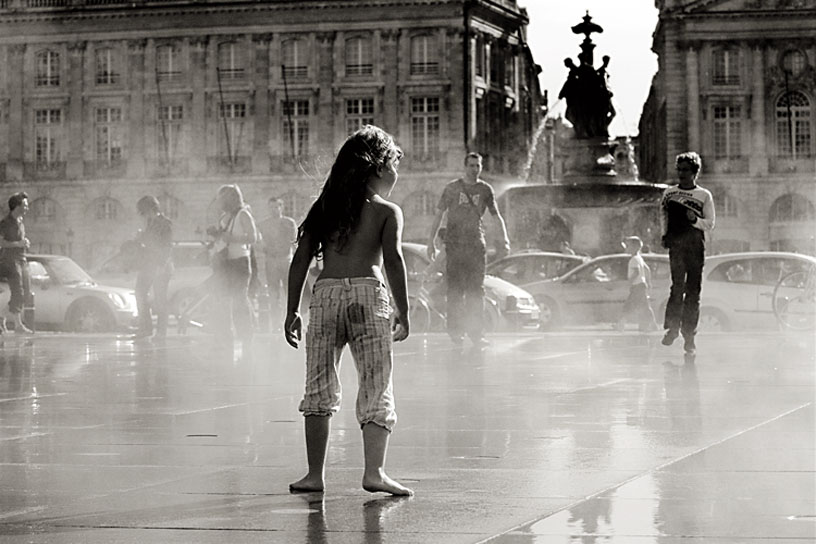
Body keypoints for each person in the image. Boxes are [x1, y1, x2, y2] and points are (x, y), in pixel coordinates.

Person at [284, 125, 412, 496]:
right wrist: (403, 310)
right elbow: (393, 261)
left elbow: (301, 261)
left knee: (318, 387)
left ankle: (313, 475)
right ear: (378, 167)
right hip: (367, 298)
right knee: (375, 383)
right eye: (393, 166)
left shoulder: (325, 207)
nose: (396, 175)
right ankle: (374, 472)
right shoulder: (387, 211)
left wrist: (292, 309)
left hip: (324, 297)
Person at [427, 152, 510, 347]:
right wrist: (430, 241)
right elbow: (438, 216)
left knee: (476, 291)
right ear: (465, 167)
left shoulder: (485, 190)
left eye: (477, 166)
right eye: (471, 165)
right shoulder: (452, 188)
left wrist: (504, 239)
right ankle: (456, 332)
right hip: (455, 246)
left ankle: (477, 333)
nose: (475, 169)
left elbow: (496, 216)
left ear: (481, 167)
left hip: (475, 245)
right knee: (455, 291)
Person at [660, 152, 715, 353]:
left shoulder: (704, 195)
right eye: (679, 170)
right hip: (677, 245)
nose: (682, 174)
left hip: (695, 247)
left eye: (686, 170)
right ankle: (672, 328)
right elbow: (663, 216)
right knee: (677, 288)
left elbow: (710, 224)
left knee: (693, 293)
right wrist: (664, 235)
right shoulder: (669, 193)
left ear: (695, 172)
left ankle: (689, 336)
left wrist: (694, 220)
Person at [212, 184, 258, 348]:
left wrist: (232, 239)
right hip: (226, 262)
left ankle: (247, 335)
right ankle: (227, 334)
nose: (219, 202)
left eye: (221, 198)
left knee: (239, 299)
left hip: (240, 261)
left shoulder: (242, 214)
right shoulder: (225, 216)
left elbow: (253, 237)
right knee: (224, 299)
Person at [134, 196, 173, 339]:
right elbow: (149, 243)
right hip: (148, 264)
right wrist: (140, 237)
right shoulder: (149, 223)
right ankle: (145, 328)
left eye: (144, 212)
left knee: (160, 298)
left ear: (151, 209)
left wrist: (161, 265)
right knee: (139, 293)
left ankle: (161, 332)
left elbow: (167, 246)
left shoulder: (165, 223)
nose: (144, 216)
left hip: (161, 265)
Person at [257, 197, 297, 322]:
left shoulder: (289, 223)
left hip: (286, 259)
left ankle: (290, 320)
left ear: (281, 207)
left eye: (276, 207)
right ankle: (276, 323)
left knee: (288, 292)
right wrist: (264, 248)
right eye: (271, 207)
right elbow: (257, 241)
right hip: (271, 261)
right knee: (273, 293)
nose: (274, 210)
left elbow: (295, 241)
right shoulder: (263, 224)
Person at [0, 192, 32, 334]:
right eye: (24, 205)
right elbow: (1, 242)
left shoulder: (21, 222)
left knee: (25, 292)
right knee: (18, 291)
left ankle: (2, 317)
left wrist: (25, 243)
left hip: (22, 258)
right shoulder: (5, 223)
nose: (27, 208)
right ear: (16, 206)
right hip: (10, 260)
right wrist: (18, 243)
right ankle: (18, 325)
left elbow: (19, 241)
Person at [615, 236, 657, 332]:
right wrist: (648, 281)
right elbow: (647, 269)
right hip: (641, 286)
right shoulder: (639, 258)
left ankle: (621, 324)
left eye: (628, 246)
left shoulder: (634, 259)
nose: (626, 248)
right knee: (645, 307)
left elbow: (636, 272)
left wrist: (629, 283)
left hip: (637, 286)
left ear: (634, 247)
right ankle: (653, 325)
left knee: (628, 306)